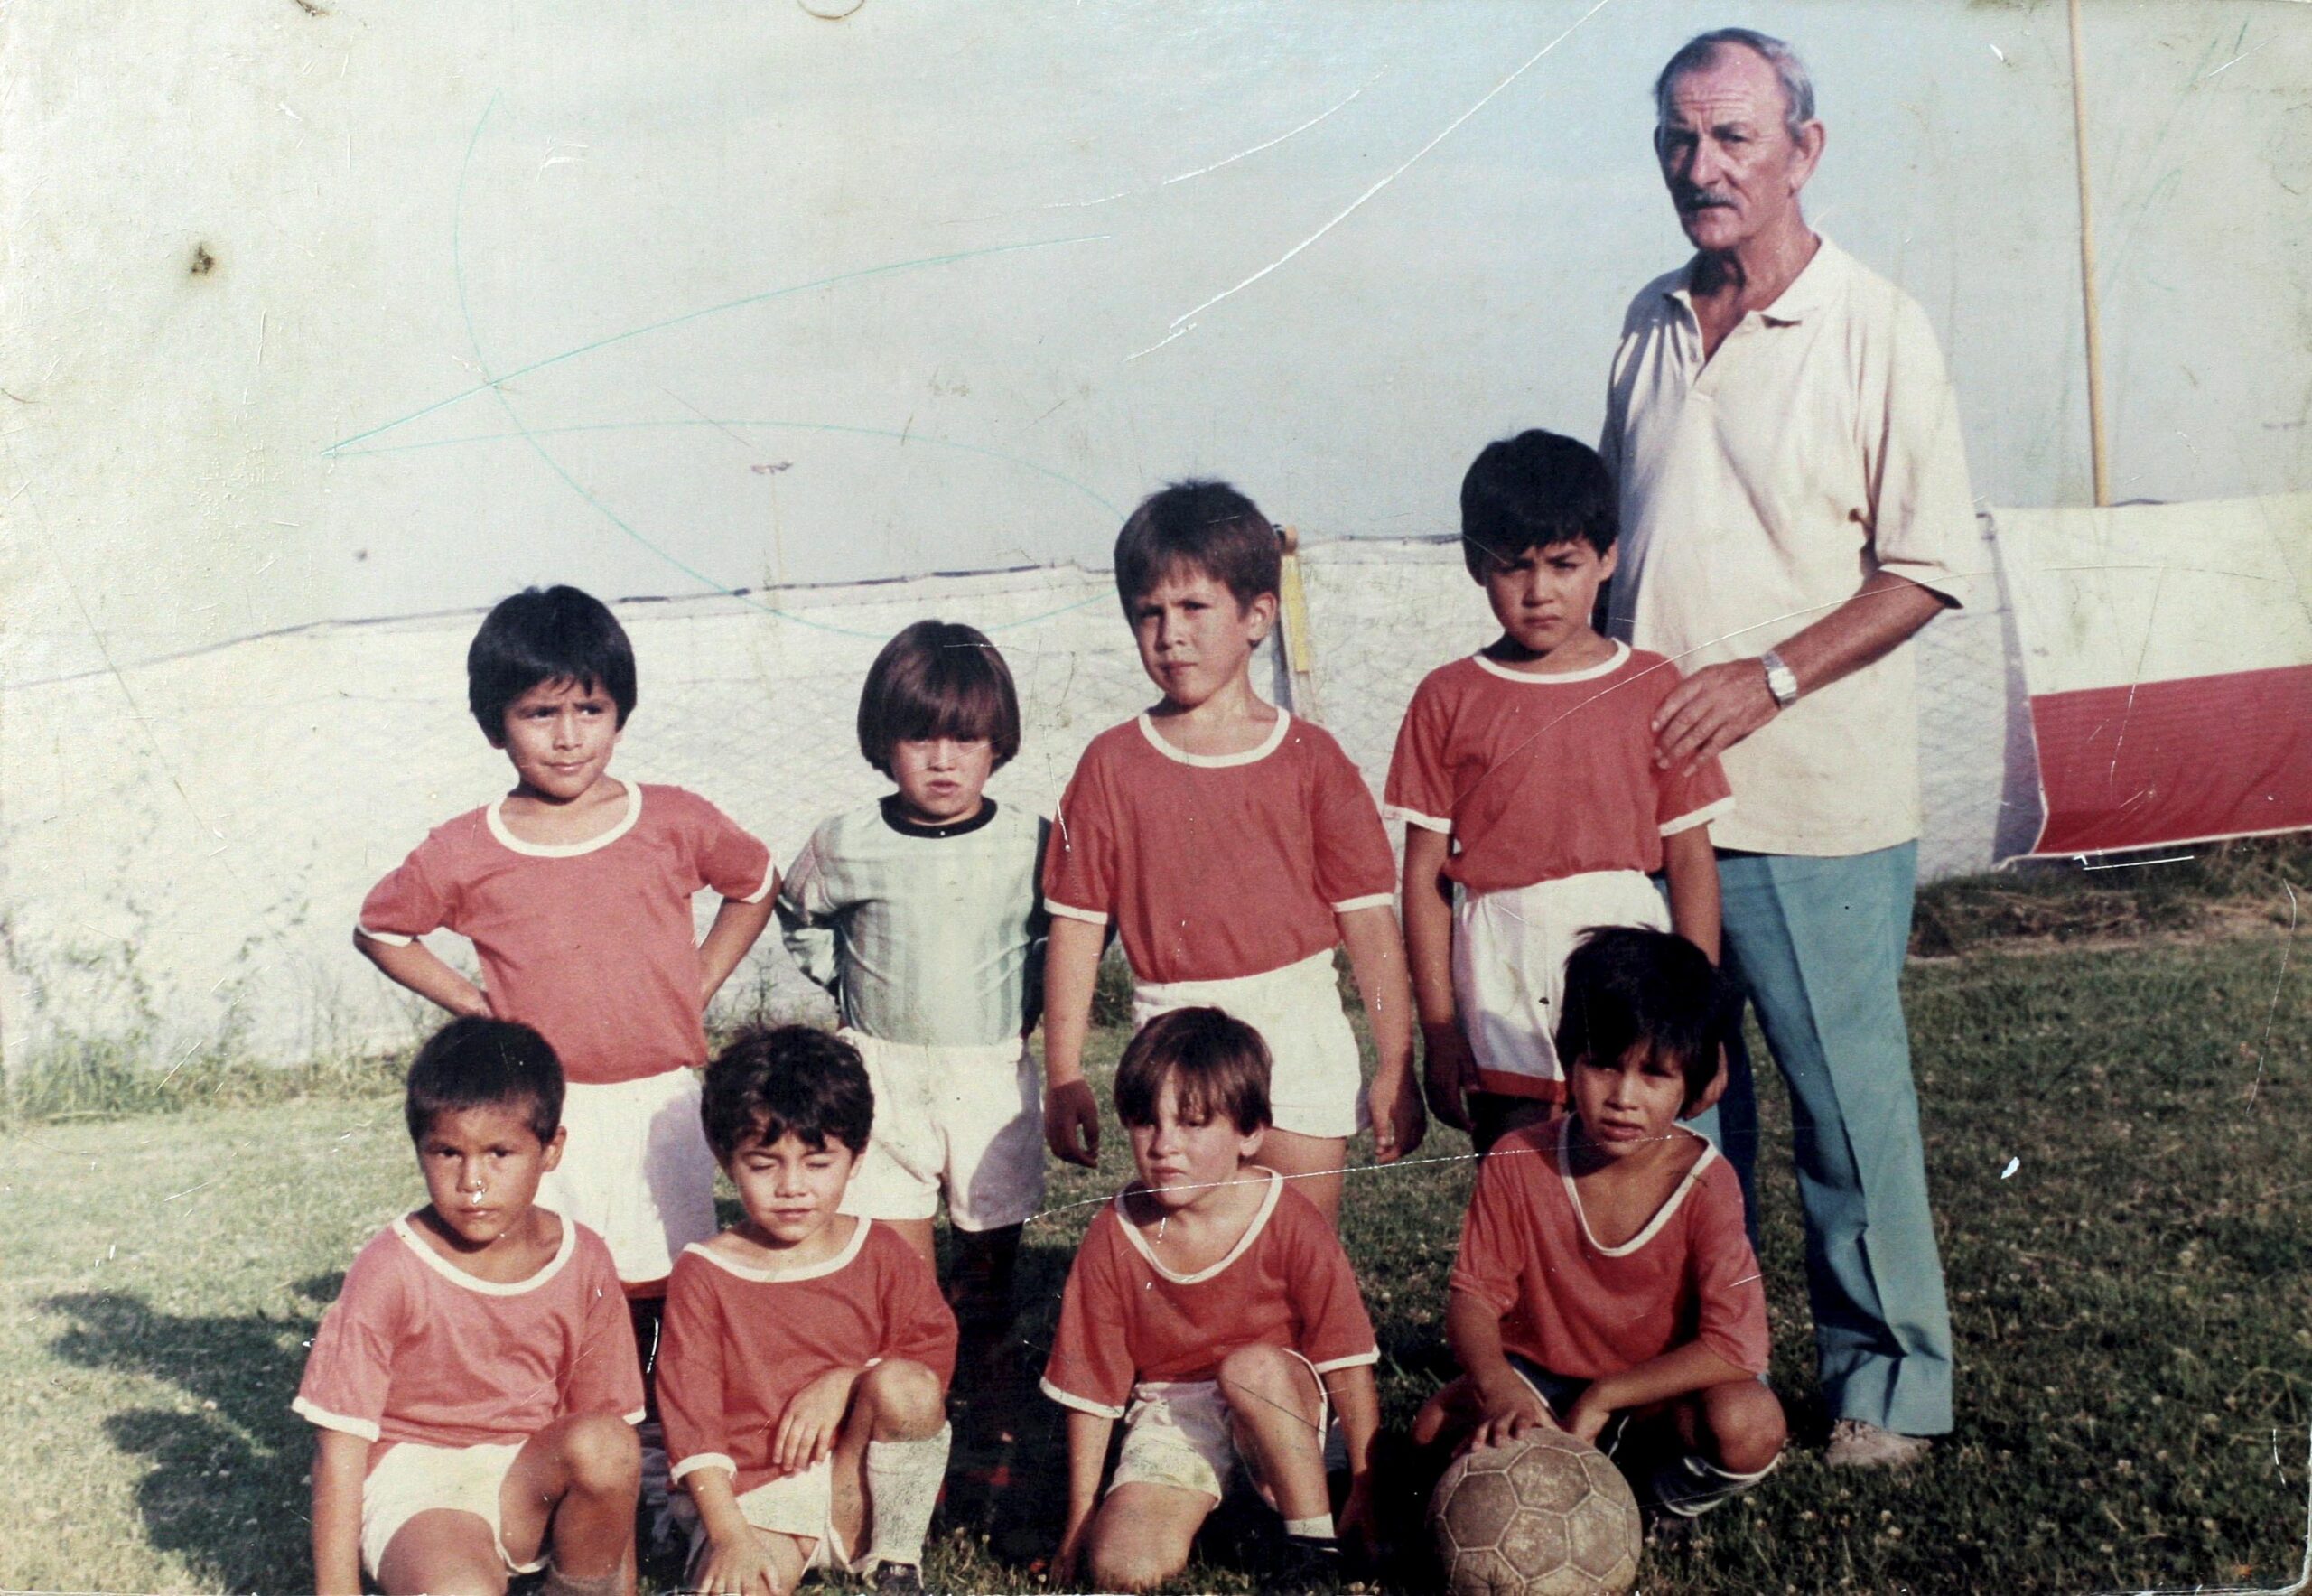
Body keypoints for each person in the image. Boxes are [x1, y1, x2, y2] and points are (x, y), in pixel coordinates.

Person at [1599, 28, 1972, 1466]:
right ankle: (1705, 1378)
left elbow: (1924, 566)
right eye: (1680, 142)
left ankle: (1891, 1385)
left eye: (1735, 138)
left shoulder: (1880, 325)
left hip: (1816, 802)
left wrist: (1766, 677)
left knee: (1843, 1113)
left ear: (1804, 148)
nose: (1704, 168)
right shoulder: (1644, 317)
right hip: (1661, 811)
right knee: (1683, 1122)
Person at [352, 584, 777, 1395]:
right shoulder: (469, 846)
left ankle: (656, 1440)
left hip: (659, 1102)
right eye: (540, 714)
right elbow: (381, 929)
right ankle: (575, 1428)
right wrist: (480, 1009)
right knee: (562, 1282)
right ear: (494, 724)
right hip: (546, 1110)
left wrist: (699, 979)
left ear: (621, 711)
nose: (569, 736)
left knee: (663, 1284)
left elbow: (755, 882)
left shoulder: (672, 819)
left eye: (590, 708)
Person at [1040, 480, 1422, 1224]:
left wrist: (1396, 1064)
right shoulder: (1109, 765)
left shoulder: (1313, 759)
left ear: (1257, 614)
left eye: (1192, 607)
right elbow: (1078, 929)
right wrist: (1063, 1073)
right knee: (1197, 1251)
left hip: (1299, 1025)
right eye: (1148, 612)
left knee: (1302, 1253)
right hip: (1174, 1029)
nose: (1169, 633)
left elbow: (1372, 927)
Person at [1386, 429, 1730, 1154]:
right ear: (1477, 565)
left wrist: (1700, 1016)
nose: (1539, 591)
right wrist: (1441, 1030)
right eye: (1514, 567)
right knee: (1521, 1170)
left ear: (1606, 557)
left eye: (1564, 563)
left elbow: (1692, 859)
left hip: (1629, 951)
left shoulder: (1654, 683)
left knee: (1640, 1172)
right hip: (1500, 965)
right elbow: (1422, 879)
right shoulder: (1447, 697)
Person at [1412, 929, 1785, 1525]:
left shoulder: (1706, 1183)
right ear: (1567, 1056)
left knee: (1748, 1423)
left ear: (1695, 1081)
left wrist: (1605, 1396)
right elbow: (1473, 1299)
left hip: (1651, 1395)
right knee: (1432, 1430)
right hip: (1541, 1384)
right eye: (1604, 1065)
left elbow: (1734, 1347)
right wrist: (1498, 1382)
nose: (1623, 1097)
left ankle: (1649, 1508)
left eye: (1655, 1074)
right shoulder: (1517, 1159)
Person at [778, 620, 1049, 1433]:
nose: (942, 760)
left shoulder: (1032, 842)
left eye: (965, 739)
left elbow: (1074, 930)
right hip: (882, 1073)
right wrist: (842, 981)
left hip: (988, 1075)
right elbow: (799, 910)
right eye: (919, 737)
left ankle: (992, 1403)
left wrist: (1031, 996)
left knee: (989, 1261)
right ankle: (911, 1411)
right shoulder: (847, 840)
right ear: (881, 742)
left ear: (996, 741)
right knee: (898, 1271)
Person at [294, 1017, 646, 1596]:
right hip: (420, 1482)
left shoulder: (583, 1259)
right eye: (448, 1153)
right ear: (420, 1150)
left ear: (551, 1148)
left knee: (606, 1444)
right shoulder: (390, 1267)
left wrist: (620, 1586)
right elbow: (339, 1449)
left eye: (500, 1153)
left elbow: (616, 1444)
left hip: (526, 1477)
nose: (473, 1183)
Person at [1041, 1008, 1384, 1591]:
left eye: (1194, 1122)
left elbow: (1346, 1358)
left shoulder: (1289, 1216)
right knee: (1122, 1567)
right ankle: (1232, 1514)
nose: (1166, 1144)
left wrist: (1367, 1485)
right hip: (1176, 1409)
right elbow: (1092, 1388)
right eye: (1147, 1121)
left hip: (1281, 1405)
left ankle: (1313, 1545)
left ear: (1249, 1132)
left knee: (1249, 1366)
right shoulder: (1114, 1232)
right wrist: (1080, 1519)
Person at [657, 1026, 956, 1596]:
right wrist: (730, 1536)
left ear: (856, 1158)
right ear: (727, 1161)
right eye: (765, 1164)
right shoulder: (704, 1273)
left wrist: (848, 1380)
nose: (792, 1187)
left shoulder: (882, 1251)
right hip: (753, 1498)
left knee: (908, 1386)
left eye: (818, 1164)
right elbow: (691, 1424)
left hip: (854, 1485)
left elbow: (929, 1363)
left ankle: (895, 1558)